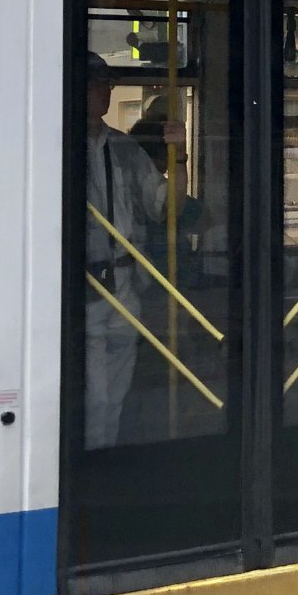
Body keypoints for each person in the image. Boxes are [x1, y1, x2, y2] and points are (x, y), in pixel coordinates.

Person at [83, 53, 186, 451]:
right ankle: (94, 460)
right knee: (96, 395)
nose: (105, 92)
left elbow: (166, 207)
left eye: (107, 85)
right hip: (86, 284)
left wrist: (179, 156)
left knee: (116, 393)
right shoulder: (55, 147)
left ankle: (105, 454)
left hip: (125, 285)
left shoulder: (124, 148)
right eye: (96, 85)